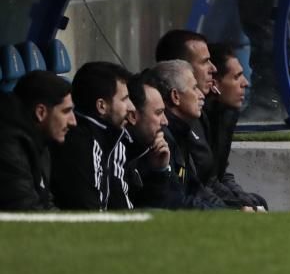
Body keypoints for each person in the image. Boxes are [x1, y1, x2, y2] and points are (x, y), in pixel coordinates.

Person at [50, 61, 139, 209]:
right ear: (101, 106)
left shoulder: (109, 136)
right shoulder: (84, 144)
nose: (132, 107)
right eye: (124, 99)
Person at [148, 60, 231, 209]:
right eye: (194, 88)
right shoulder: (163, 138)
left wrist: (233, 212)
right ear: (175, 96)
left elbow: (195, 188)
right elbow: (176, 199)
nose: (201, 95)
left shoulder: (182, 131)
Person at [0, 72, 75, 210]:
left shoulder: (40, 138)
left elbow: (46, 202)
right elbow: (27, 214)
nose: (73, 122)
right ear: (41, 112)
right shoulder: (8, 148)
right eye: (66, 111)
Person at [206, 44, 268, 209]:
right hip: (201, 199)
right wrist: (240, 205)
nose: (245, 83)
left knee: (257, 201)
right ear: (215, 84)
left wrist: (243, 198)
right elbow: (206, 180)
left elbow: (221, 173)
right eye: (237, 77)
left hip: (211, 193)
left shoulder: (225, 114)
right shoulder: (197, 121)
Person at [124, 72, 181, 209]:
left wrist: (160, 171)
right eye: (158, 113)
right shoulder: (116, 154)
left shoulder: (152, 149)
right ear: (132, 116)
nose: (165, 122)